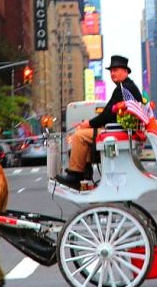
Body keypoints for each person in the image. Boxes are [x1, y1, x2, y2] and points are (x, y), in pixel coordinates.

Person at [55, 55, 143, 189]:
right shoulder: (125, 87)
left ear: (126, 71)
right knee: (84, 133)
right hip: (120, 130)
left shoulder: (123, 89)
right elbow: (109, 114)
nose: (113, 73)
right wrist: (91, 123)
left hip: (119, 131)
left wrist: (88, 124)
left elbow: (107, 115)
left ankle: (75, 175)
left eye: (116, 70)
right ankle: (85, 170)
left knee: (79, 136)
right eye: (111, 71)